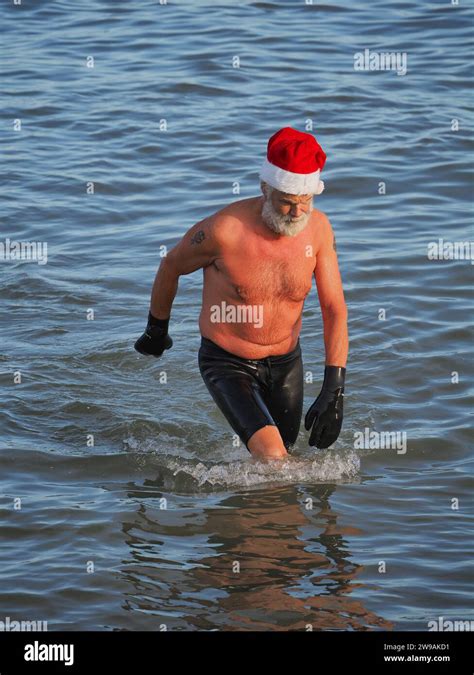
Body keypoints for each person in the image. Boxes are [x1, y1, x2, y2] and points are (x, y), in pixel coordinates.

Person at [134, 126, 348, 460]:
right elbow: (171, 265)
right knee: (275, 460)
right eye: (287, 203)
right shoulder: (224, 230)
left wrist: (334, 389)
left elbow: (334, 308)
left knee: (288, 457)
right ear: (265, 187)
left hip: (287, 363)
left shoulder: (318, 230)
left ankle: (259, 512)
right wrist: (156, 330)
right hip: (227, 361)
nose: (296, 213)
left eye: (305, 202)